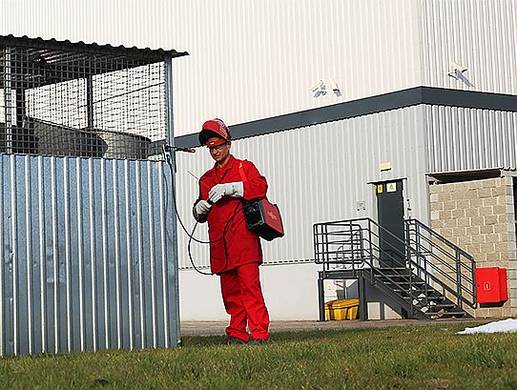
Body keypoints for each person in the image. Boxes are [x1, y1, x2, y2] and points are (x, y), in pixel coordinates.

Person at [193, 118, 270, 345]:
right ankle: (237, 333)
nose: (215, 151)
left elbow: (261, 187)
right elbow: (200, 210)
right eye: (211, 148)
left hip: (244, 241)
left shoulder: (243, 168)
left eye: (218, 146)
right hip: (220, 244)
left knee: (250, 290)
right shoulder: (206, 179)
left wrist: (232, 188)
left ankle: (259, 333)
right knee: (231, 295)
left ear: (228, 144)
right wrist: (199, 209)